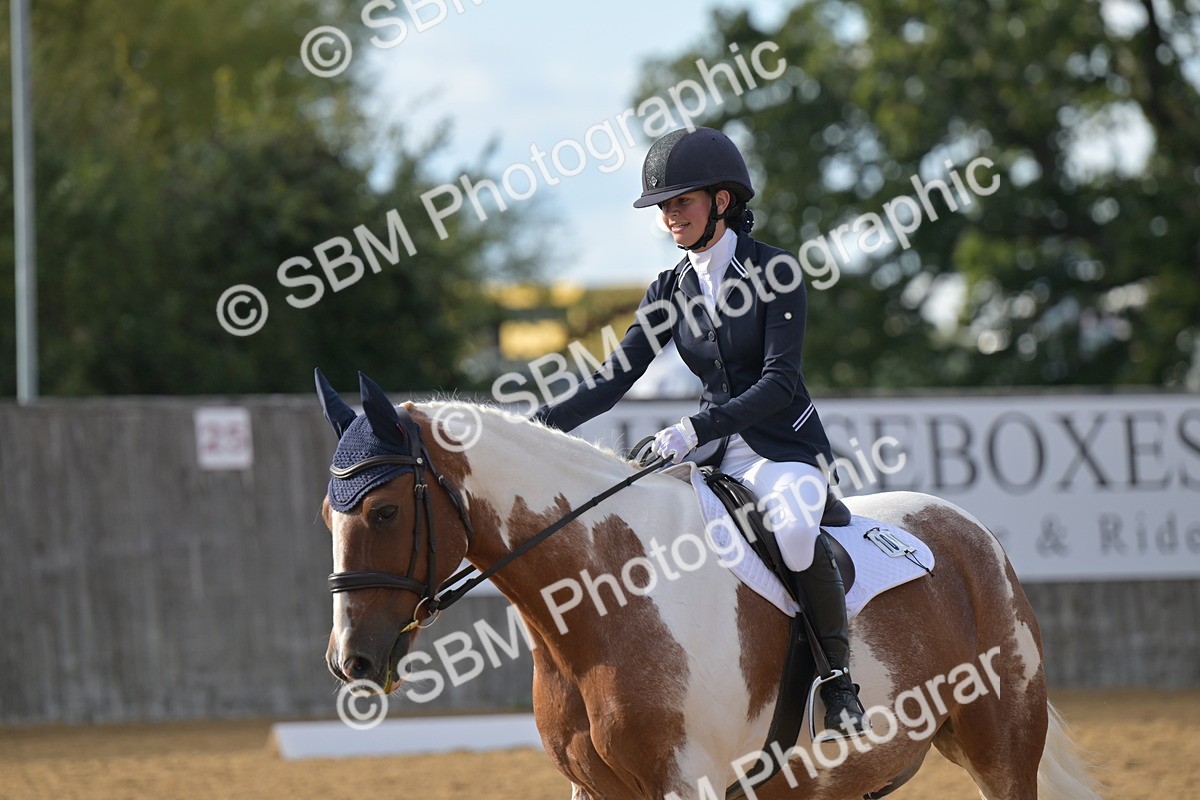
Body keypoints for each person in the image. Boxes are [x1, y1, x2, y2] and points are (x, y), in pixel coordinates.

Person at [532, 126, 865, 737]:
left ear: (721, 201)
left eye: (681, 202)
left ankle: (840, 684)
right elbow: (613, 379)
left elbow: (780, 382)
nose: (670, 216)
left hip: (782, 450)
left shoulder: (775, 270)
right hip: (711, 456)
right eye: (663, 206)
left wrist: (695, 426)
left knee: (794, 534)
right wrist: (535, 429)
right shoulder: (668, 290)